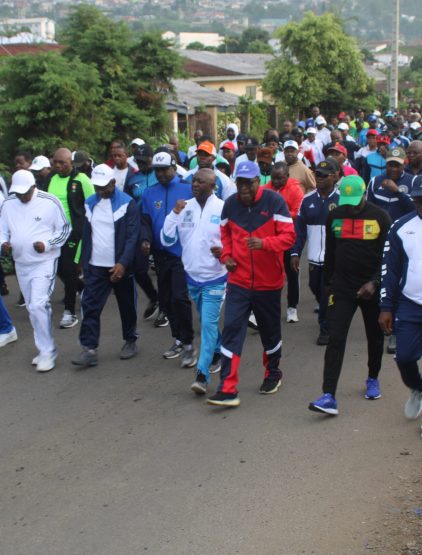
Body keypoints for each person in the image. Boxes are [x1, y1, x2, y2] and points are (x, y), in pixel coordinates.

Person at [207, 161, 296, 407]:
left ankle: (273, 373)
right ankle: (227, 388)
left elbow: (289, 236)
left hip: (269, 283)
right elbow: (225, 235)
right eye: (241, 183)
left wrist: (265, 244)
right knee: (231, 330)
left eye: (250, 183)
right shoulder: (230, 205)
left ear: (258, 181)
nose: (244, 188)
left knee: (269, 332)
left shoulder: (274, 202)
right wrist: (226, 257)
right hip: (239, 281)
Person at [308, 175, 391, 415]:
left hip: (370, 288)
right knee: (335, 338)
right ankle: (328, 395)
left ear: (364, 195)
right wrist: (328, 285)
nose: (351, 207)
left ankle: (373, 378)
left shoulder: (380, 217)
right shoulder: (334, 216)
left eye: (355, 201)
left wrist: (375, 282)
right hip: (342, 287)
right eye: (347, 202)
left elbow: (388, 257)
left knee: (374, 336)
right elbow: (331, 254)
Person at [162, 168, 227, 394]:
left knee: (207, 325)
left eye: (201, 181)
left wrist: (225, 252)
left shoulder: (223, 208)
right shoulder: (184, 207)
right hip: (192, 277)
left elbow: (234, 239)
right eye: (194, 181)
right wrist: (173, 213)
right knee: (207, 322)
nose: (195, 184)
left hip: (216, 278)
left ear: (213, 186)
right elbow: (166, 238)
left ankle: (202, 375)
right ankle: (218, 349)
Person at [0, 170, 70, 371]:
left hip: (44, 261)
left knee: (39, 304)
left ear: (33, 187)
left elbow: (64, 229)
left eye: (25, 193)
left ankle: (49, 352)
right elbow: (2, 230)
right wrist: (3, 243)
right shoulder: (8, 204)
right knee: (32, 308)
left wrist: (47, 244)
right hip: (21, 263)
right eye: (18, 193)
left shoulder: (49, 201)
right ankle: (43, 349)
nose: (22, 196)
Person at [71, 165, 140, 368]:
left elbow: (132, 237)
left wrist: (123, 263)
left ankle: (130, 340)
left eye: (104, 186)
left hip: (120, 266)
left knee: (127, 305)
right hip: (95, 266)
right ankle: (89, 349)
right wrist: (82, 260)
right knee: (90, 306)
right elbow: (86, 234)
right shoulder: (90, 203)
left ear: (113, 183)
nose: (101, 191)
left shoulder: (127, 203)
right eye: (97, 187)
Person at [140, 152, 197, 368]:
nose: (161, 174)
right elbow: (145, 221)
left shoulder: (188, 189)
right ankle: (179, 339)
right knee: (165, 300)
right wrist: (145, 239)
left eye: (165, 169)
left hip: (181, 254)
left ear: (174, 168)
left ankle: (189, 344)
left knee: (180, 298)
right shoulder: (149, 193)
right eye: (158, 170)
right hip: (159, 254)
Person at [379, 176, 422, 432]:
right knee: (404, 357)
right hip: (410, 304)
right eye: (418, 199)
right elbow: (390, 270)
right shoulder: (401, 227)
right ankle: (417, 388)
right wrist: (386, 306)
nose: (421, 204)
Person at [367, 146, 414, 355]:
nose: (393, 168)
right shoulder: (375, 182)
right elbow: (368, 209)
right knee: (381, 280)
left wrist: (397, 192)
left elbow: (415, 209)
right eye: (390, 165)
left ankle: (395, 327)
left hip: (403, 241)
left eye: (397, 165)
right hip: (377, 240)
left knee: (398, 282)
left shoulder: (412, 181)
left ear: (404, 164)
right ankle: (381, 321)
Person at [291, 159, 340, 345]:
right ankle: (330, 312)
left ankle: (325, 329)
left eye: (323, 175)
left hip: (333, 259)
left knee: (326, 293)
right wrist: (295, 253)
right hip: (314, 258)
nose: (318, 178)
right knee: (315, 288)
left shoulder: (341, 200)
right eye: (316, 174)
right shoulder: (307, 200)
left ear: (334, 177)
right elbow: (299, 230)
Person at [48, 148, 95, 329]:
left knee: (69, 269)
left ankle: (69, 312)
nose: (58, 166)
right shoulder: (50, 179)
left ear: (71, 162)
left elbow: (93, 205)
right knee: (58, 268)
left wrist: (91, 233)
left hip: (75, 233)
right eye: (55, 163)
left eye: (62, 162)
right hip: (54, 233)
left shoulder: (81, 180)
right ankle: (81, 288)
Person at [263, 162, 304, 323]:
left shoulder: (295, 190)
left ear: (287, 176)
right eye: (273, 178)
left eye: (279, 178)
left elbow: (297, 212)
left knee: (292, 272)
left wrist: (278, 216)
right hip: (270, 238)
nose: (276, 181)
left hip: (289, 237)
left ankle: (292, 308)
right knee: (269, 273)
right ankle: (267, 308)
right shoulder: (265, 189)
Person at [124, 145, 159, 322]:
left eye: (145, 161)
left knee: (162, 269)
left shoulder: (159, 174)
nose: (142, 164)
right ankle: (154, 297)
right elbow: (126, 203)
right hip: (139, 227)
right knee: (138, 269)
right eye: (138, 161)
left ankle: (166, 307)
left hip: (159, 225)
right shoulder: (132, 179)